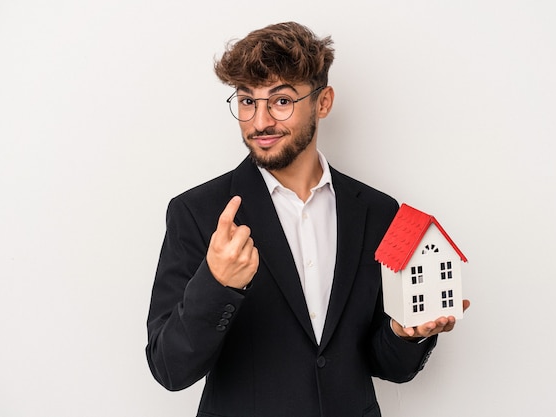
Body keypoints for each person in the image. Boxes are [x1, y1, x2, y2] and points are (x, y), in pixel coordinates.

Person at [146, 21, 469, 417]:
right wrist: (217, 285)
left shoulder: (377, 211)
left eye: (281, 101)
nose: (260, 121)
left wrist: (403, 334)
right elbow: (169, 368)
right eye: (247, 101)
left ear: (323, 102)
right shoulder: (197, 213)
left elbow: (386, 366)